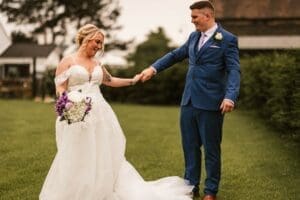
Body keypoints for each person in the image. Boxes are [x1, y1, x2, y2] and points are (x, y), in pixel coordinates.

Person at [39, 24, 193, 200]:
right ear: (86, 38)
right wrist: (65, 103)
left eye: (101, 44)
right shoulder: (68, 61)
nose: (99, 46)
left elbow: (110, 80)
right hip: (75, 111)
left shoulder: (97, 63)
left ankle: (102, 188)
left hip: (100, 113)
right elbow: (60, 86)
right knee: (78, 152)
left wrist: (133, 81)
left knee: (105, 152)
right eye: (97, 42)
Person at [140, 1, 240, 200]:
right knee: (190, 146)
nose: (191, 20)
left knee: (211, 149)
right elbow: (175, 55)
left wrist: (230, 96)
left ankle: (211, 191)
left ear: (207, 16)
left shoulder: (227, 39)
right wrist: (153, 68)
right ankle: (190, 186)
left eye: (195, 17)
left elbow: (234, 70)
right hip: (188, 101)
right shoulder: (194, 37)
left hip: (212, 102)